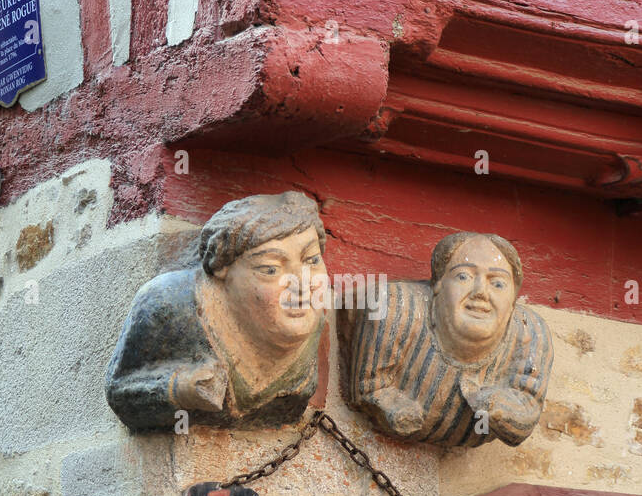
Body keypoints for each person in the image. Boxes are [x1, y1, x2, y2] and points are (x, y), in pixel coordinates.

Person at [106, 191, 328, 430]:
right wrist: (181, 388)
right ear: (222, 270)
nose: (302, 284)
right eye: (270, 269)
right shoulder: (170, 302)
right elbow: (120, 390)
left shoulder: (312, 316)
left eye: (312, 261)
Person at [338, 231, 552, 447]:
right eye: (464, 277)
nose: (481, 292)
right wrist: (393, 407)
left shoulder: (529, 332)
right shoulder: (395, 307)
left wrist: (500, 409)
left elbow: (527, 409)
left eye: (497, 283)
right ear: (438, 283)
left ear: (513, 298)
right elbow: (370, 388)